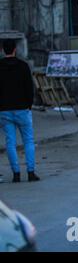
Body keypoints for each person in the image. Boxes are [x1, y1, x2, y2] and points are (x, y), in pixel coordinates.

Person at [0, 39, 40, 183]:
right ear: (15, 49)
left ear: (3, 50)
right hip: (23, 109)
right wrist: (29, 105)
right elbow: (29, 88)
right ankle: (30, 172)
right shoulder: (23, 66)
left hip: (4, 110)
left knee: (10, 142)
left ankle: (16, 173)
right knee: (28, 141)